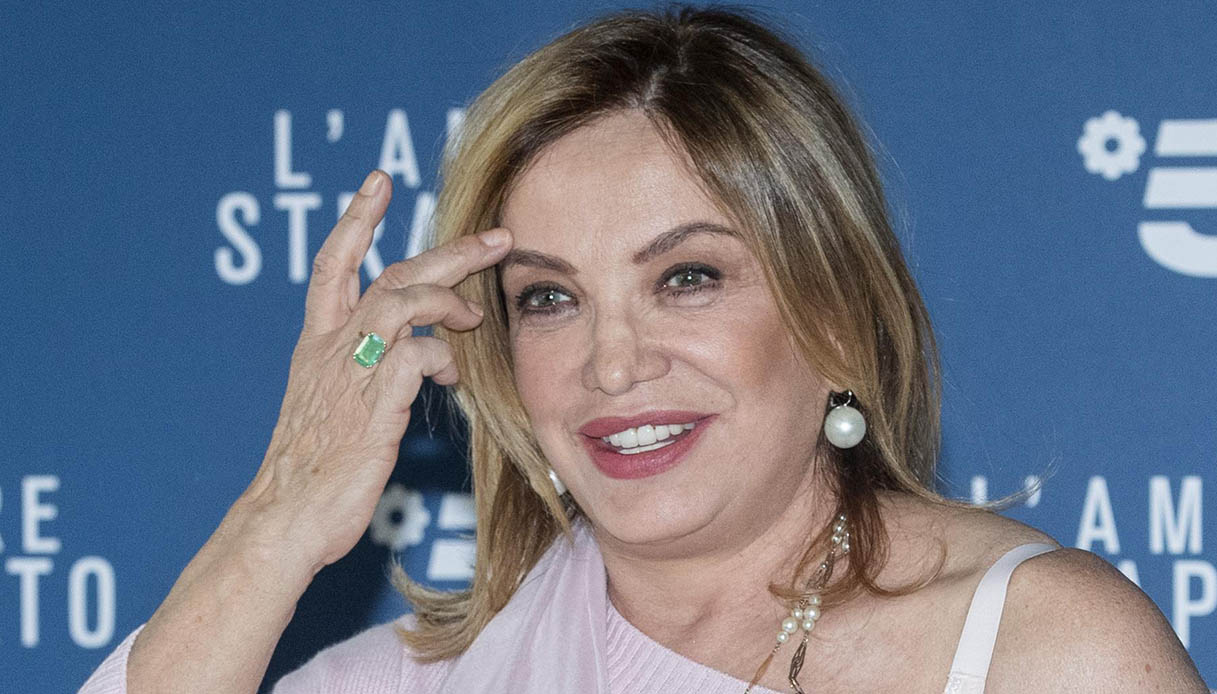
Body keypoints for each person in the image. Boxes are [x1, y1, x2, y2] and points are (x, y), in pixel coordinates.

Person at [81, 6, 1207, 693]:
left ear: (833, 311)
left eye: (686, 278)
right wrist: (278, 519)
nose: (612, 366)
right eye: (548, 298)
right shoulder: (414, 682)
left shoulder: (1041, 653)